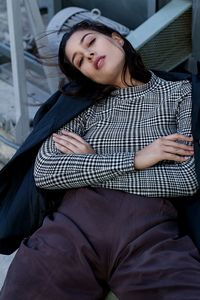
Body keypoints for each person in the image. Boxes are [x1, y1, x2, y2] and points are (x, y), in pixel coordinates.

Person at [1, 20, 200, 300]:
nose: (89, 56)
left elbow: (185, 179)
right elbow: (45, 170)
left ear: (117, 39)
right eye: (79, 60)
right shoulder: (82, 105)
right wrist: (136, 159)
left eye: (90, 43)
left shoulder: (181, 92)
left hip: (151, 232)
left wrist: (92, 162)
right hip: (73, 227)